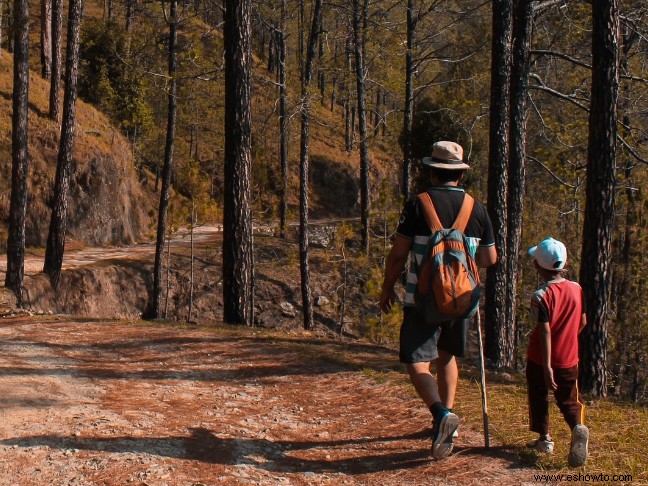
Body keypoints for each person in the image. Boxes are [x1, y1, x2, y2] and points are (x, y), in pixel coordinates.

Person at [379, 141, 497, 460]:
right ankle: (450, 422)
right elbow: (489, 257)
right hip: (462, 298)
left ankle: (440, 415)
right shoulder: (476, 208)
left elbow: (398, 254)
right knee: (447, 357)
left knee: (417, 361)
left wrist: (387, 287)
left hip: (422, 297)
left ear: (432, 171)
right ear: (460, 173)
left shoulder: (418, 205)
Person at [526, 237, 589, 467]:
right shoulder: (577, 289)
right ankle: (577, 427)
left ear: (538, 266)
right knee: (569, 399)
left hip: (540, 359)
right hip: (570, 358)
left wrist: (547, 366)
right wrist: (569, 336)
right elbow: (583, 321)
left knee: (538, 394)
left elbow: (544, 331)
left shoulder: (541, 296)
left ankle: (544, 438)